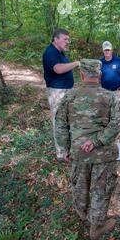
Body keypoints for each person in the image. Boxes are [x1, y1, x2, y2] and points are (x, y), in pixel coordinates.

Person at [55, 59, 120, 240]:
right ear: (99, 75)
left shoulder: (69, 96)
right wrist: (98, 141)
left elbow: (60, 125)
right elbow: (117, 125)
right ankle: (96, 226)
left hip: (78, 152)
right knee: (100, 188)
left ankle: (83, 215)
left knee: (80, 185)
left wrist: (64, 149)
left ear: (82, 75)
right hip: (103, 154)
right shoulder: (109, 97)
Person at [42, 28, 81, 160]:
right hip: (57, 92)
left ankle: (68, 151)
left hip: (67, 91)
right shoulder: (50, 52)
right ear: (56, 39)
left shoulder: (61, 53)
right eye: (65, 39)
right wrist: (76, 63)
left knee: (68, 121)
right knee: (59, 123)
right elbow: (58, 69)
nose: (68, 42)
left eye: (68, 39)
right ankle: (61, 154)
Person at [100, 41, 120, 136]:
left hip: (117, 90)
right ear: (103, 51)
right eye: (105, 50)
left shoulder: (119, 61)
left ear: (111, 50)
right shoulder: (100, 62)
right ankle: (108, 131)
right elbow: (96, 75)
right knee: (105, 111)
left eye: (108, 50)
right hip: (104, 91)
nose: (107, 52)